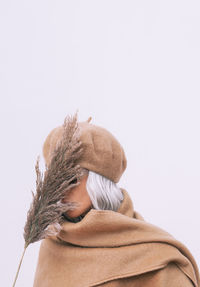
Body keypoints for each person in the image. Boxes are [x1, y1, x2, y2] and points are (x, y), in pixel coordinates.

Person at [33, 114, 200, 287]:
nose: (62, 190)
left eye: (72, 180)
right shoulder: (53, 243)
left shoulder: (157, 257)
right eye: (56, 179)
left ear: (98, 183)